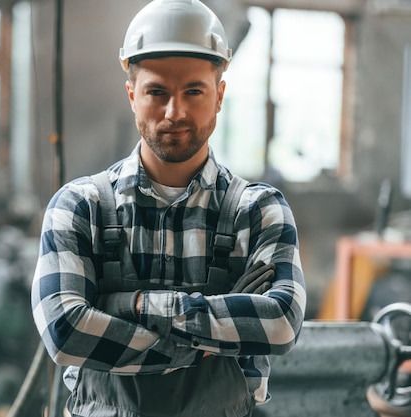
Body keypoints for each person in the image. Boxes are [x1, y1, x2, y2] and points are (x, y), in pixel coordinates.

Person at [31, 0, 307, 416]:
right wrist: (217, 336)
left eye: (193, 91)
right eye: (156, 92)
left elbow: (281, 323)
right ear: (131, 95)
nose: (174, 112)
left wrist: (129, 306)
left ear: (219, 96)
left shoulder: (259, 210)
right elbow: (65, 330)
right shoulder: (79, 207)